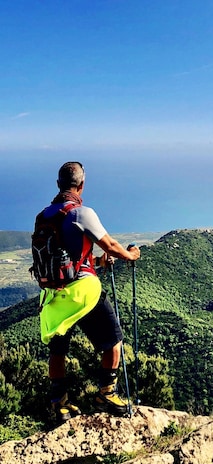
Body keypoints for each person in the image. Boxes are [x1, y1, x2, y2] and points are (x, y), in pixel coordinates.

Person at [37, 161, 141, 424]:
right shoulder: (81, 213)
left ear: (58, 184)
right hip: (83, 293)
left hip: (53, 296)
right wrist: (130, 255)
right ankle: (107, 393)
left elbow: (63, 260)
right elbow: (110, 244)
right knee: (113, 341)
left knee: (57, 351)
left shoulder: (44, 216)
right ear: (81, 185)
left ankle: (59, 403)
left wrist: (98, 263)